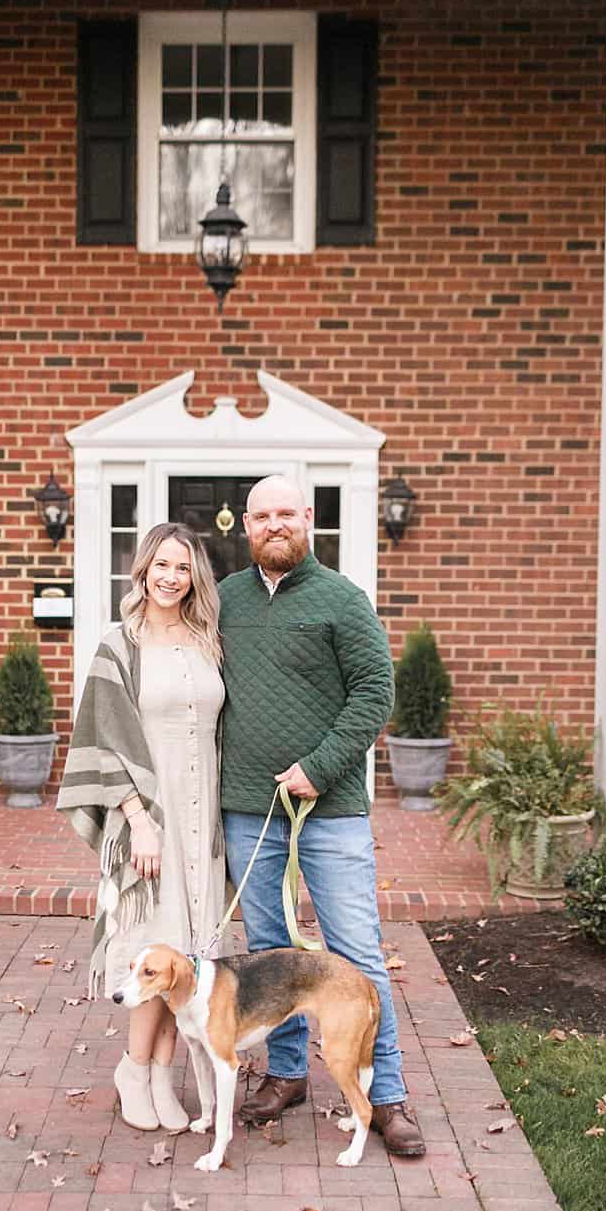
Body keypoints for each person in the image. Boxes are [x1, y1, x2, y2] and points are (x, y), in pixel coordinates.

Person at [218, 475, 426, 1156]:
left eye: (286, 513)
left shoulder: (342, 599)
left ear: (307, 519)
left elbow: (374, 692)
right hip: (249, 810)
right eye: (262, 515)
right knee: (271, 956)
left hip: (330, 810)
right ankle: (285, 1075)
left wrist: (320, 765)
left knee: (356, 953)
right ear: (244, 526)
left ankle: (386, 1095)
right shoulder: (223, 601)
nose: (274, 524)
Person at [57, 523, 225, 1134]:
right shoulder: (118, 646)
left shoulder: (209, 640)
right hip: (147, 820)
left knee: (182, 951)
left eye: (183, 567)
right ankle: (134, 1067)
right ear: (143, 569)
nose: (171, 576)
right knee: (149, 940)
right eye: (161, 564)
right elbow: (103, 737)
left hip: (201, 817)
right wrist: (137, 823)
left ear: (194, 576)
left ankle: (162, 1074)